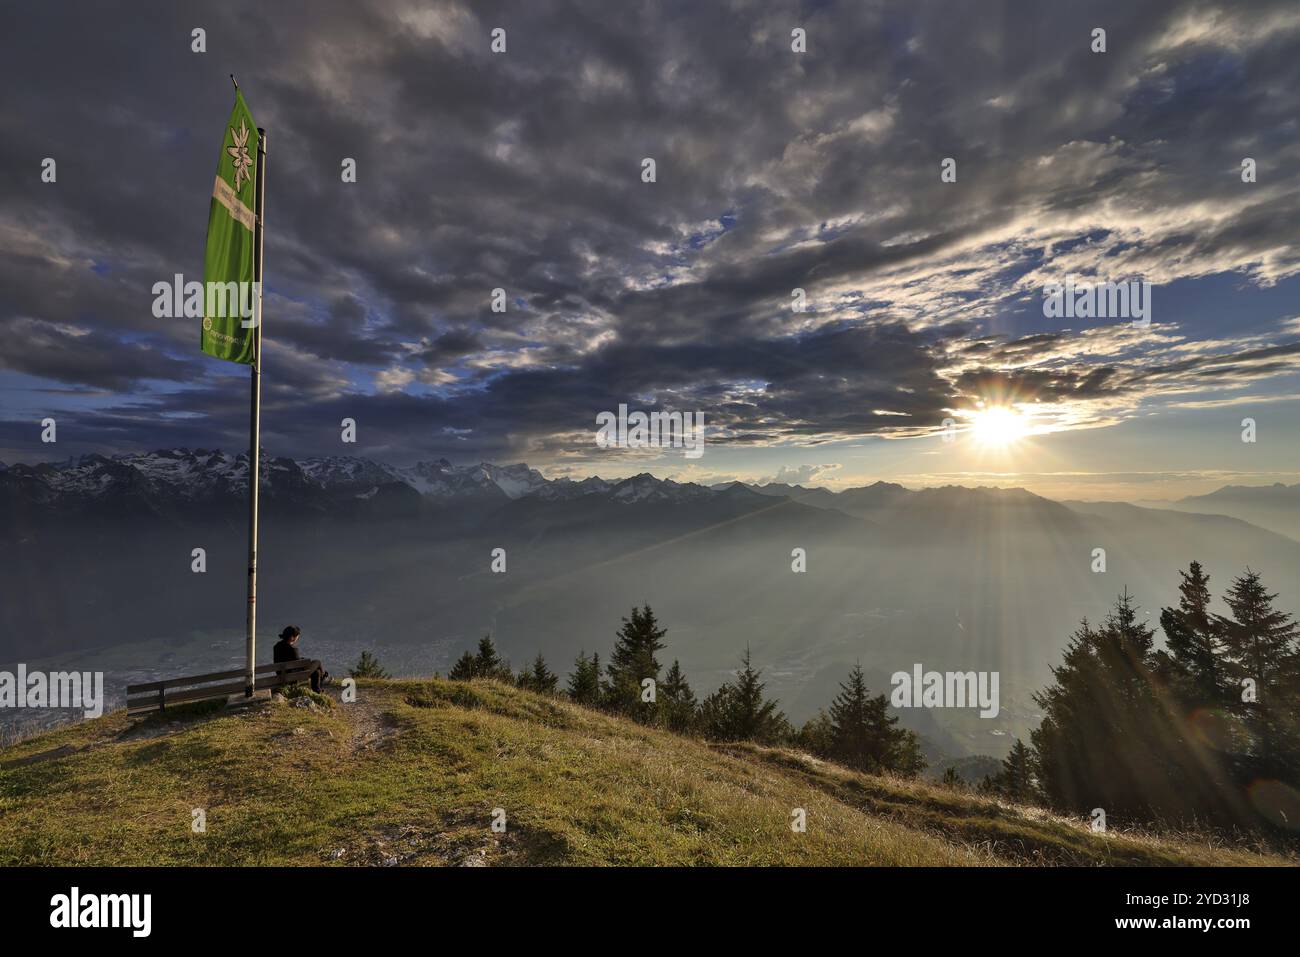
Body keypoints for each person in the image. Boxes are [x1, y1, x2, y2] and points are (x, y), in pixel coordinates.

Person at [272, 625, 329, 693]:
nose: (297, 638)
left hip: (281, 675)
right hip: (293, 677)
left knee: (316, 672)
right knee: (317, 662)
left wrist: (302, 660)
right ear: (292, 637)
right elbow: (299, 665)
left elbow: (293, 660)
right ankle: (322, 678)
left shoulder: (276, 646)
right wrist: (305, 661)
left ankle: (318, 690)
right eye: (297, 636)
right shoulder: (293, 649)